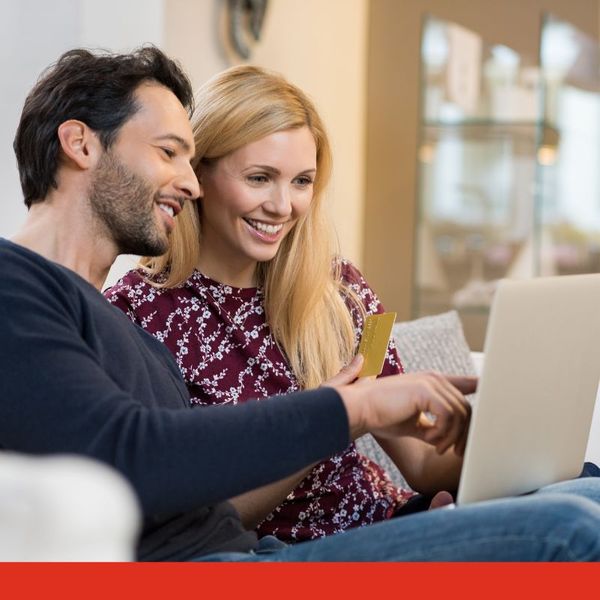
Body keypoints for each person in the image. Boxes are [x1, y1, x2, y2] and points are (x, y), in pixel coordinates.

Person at [2, 46, 600, 562]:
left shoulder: (115, 320)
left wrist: (496, 444)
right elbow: (150, 466)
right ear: (80, 143)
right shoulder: (88, 300)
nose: (186, 181)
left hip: (340, 532)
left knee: (585, 495)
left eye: (303, 181)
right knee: (570, 528)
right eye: (170, 154)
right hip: (259, 553)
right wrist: (341, 413)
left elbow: (167, 478)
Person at [104, 65, 458, 543]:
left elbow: (421, 464)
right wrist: (330, 416)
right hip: (286, 555)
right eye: (259, 178)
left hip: (396, 522)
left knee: (582, 495)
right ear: (197, 173)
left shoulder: (340, 289)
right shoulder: (137, 315)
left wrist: (484, 439)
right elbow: (200, 520)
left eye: (301, 181)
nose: (282, 206)